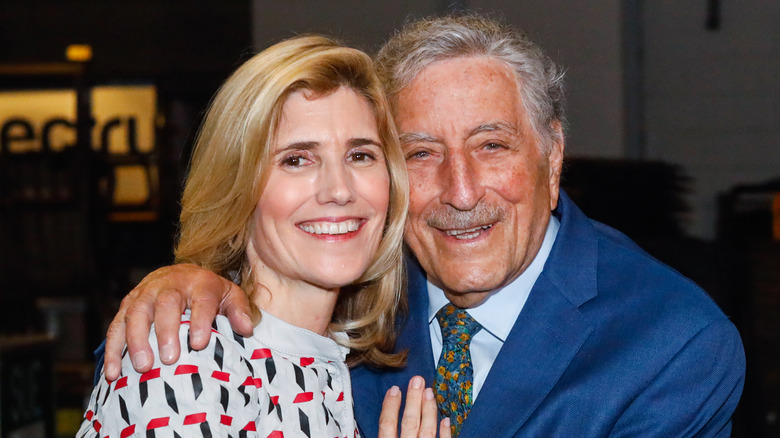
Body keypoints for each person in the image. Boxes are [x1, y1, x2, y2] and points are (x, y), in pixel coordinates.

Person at [101, 14, 746, 437]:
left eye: (492, 146)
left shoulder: (674, 345)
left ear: (552, 162)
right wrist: (188, 280)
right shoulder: (351, 285)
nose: (460, 192)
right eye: (421, 153)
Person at [79, 34, 448, 438]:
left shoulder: (328, 365)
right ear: (238, 187)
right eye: (296, 160)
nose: (340, 190)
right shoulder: (189, 354)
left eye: (360, 155)